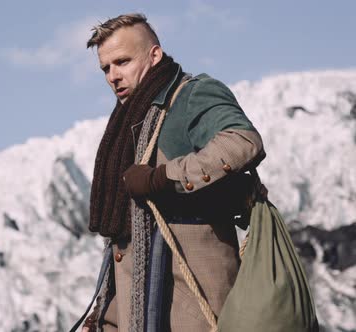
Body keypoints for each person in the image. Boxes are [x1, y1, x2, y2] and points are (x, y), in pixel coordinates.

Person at [80, 13, 265, 332]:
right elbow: (124, 246)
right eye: (106, 68)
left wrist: (161, 178)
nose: (113, 76)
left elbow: (243, 142)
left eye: (122, 62)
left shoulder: (192, 95)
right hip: (134, 313)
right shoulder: (125, 126)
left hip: (196, 310)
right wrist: (103, 316)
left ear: (155, 55)